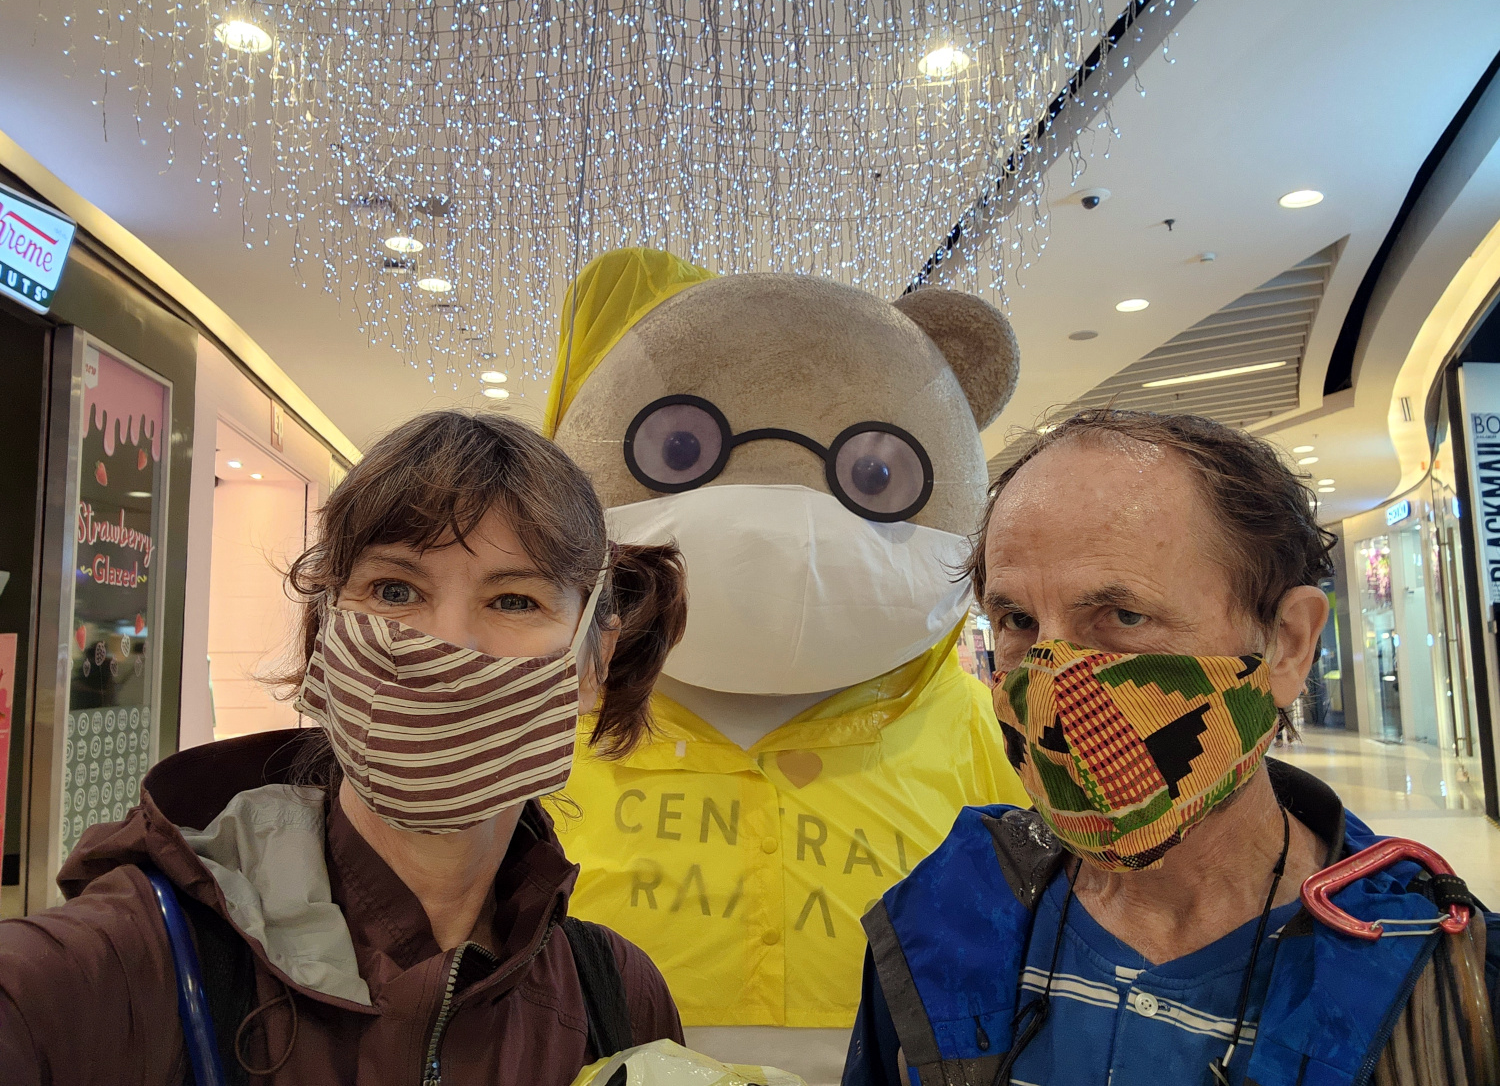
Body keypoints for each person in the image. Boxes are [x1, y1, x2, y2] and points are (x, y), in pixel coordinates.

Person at [0, 411, 690, 1084]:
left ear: (593, 661)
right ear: (325, 627)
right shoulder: (125, 964)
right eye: (395, 590)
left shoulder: (618, 1002)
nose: (447, 642)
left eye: (514, 600)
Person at [843, 409, 1500, 1086]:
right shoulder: (939, 911)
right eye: (1017, 620)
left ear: (1289, 645)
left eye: (1123, 616)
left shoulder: (1442, 972)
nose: (1052, 683)